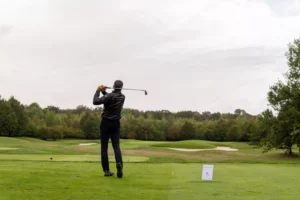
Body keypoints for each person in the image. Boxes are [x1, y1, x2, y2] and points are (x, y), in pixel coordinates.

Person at [93, 80, 125, 178]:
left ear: (114, 86)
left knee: (104, 147)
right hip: (116, 123)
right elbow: (110, 98)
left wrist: (98, 90)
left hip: (106, 122)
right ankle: (119, 163)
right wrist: (104, 92)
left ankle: (106, 170)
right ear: (121, 87)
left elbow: (95, 101)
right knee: (116, 146)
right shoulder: (122, 97)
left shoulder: (110, 96)